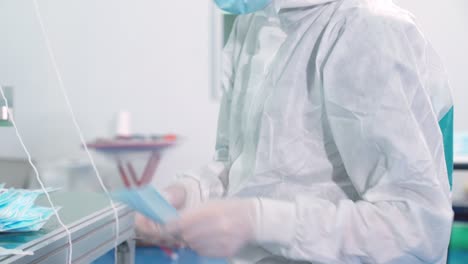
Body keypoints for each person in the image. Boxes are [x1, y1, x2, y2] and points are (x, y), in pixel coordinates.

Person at [137, 0, 454, 263]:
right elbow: (237, 163)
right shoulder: (253, 24)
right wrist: (188, 194)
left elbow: (416, 229)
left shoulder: (370, 29)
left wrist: (262, 221)